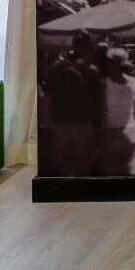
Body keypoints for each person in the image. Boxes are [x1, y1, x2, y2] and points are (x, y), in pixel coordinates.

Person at [43, 32, 100, 175]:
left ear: (73, 45)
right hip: (83, 120)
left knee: (63, 162)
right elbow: (97, 99)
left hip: (60, 119)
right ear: (89, 47)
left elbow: (47, 92)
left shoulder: (56, 67)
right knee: (84, 163)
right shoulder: (92, 70)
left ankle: (65, 184)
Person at [100, 49, 135, 174]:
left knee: (111, 174)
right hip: (130, 131)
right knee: (128, 173)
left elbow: (103, 110)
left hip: (111, 131)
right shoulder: (134, 82)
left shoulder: (104, 83)